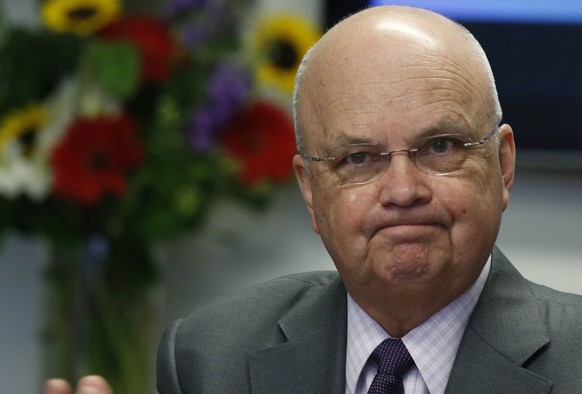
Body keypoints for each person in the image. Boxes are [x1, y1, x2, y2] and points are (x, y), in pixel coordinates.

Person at [44, 5, 582, 394]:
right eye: (358, 159)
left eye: (439, 147)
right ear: (309, 189)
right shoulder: (208, 361)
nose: (402, 191)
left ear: (503, 164)